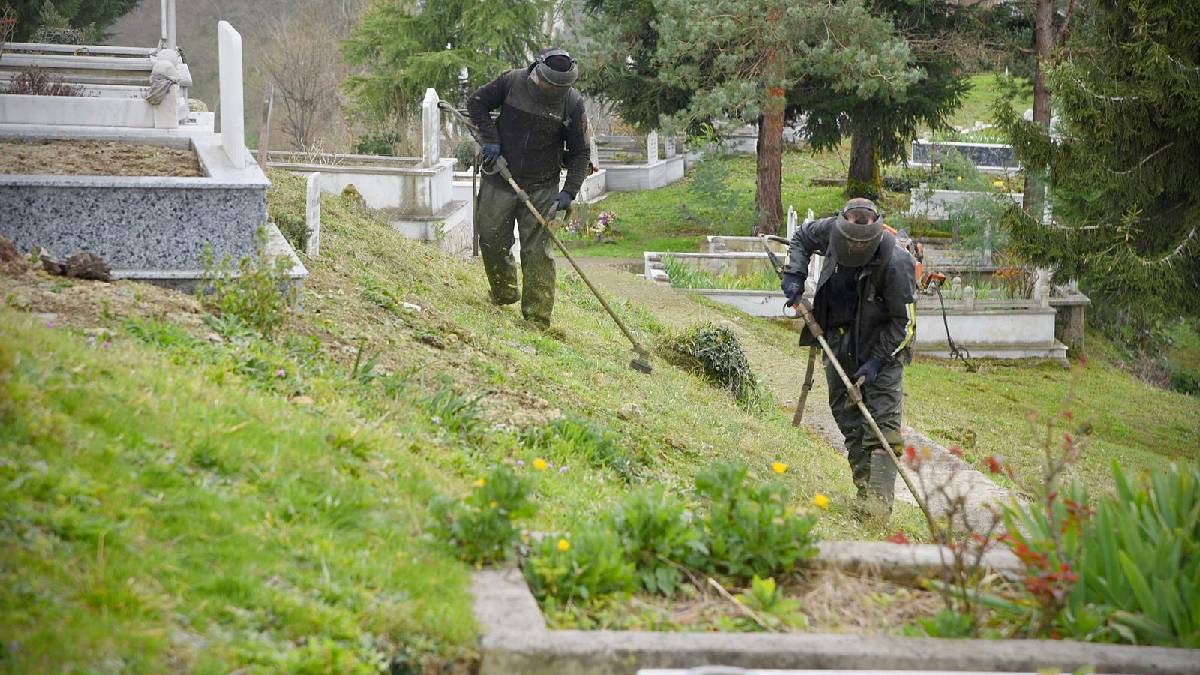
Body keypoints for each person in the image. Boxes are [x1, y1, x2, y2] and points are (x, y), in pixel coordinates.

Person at [781, 198, 917, 521]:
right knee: (849, 418)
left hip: (881, 348)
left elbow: (905, 323)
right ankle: (864, 492)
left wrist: (877, 362)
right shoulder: (831, 230)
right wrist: (795, 274)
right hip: (838, 340)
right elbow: (800, 237)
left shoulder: (896, 262)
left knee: (881, 425)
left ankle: (878, 508)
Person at [466, 47, 590, 330]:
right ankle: (504, 291)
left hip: (542, 186)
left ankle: (537, 318)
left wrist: (568, 192)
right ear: (538, 73)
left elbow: (581, 153)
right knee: (492, 240)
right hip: (500, 177)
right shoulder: (512, 82)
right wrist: (490, 139)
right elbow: (477, 103)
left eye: (562, 86)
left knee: (538, 254)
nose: (555, 90)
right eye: (551, 84)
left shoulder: (572, 103)